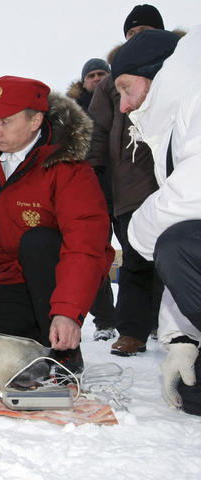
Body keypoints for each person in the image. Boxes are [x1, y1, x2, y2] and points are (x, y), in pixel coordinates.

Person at [0, 76, 114, 374]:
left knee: (37, 241)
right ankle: (38, 336)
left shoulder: (67, 167)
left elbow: (85, 243)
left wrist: (68, 312)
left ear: (35, 120)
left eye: (6, 122)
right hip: (14, 282)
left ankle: (64, 351)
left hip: (63, 280)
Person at [111, 27, 201, 416]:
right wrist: (180, 335)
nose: (123, 106)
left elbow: (190, 197)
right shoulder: (176, 121)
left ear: (156, 73)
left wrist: (137, 234)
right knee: (194, 394)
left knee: (175, 243)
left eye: (126, 89)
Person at [87, 4, 165, 356]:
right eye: (132, 34)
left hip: (172, 178)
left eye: (146, 32)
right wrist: (95, 176)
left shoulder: (178, 69)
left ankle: (175, 330)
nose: (138, 39)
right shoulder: (111, 82)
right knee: (135, 259)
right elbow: (98, 131)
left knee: (180, 256)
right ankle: (133, 331)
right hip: (128, 184)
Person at [67, 57, 116, 341]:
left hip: (124, 189)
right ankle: (105, 320)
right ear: (83, 81)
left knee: (142, 256)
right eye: (92, 75)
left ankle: (150, 322)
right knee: (94, 254)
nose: (97, 79)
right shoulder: (71, 114)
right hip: (88, 192)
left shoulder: (127, 102)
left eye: (102, 74)